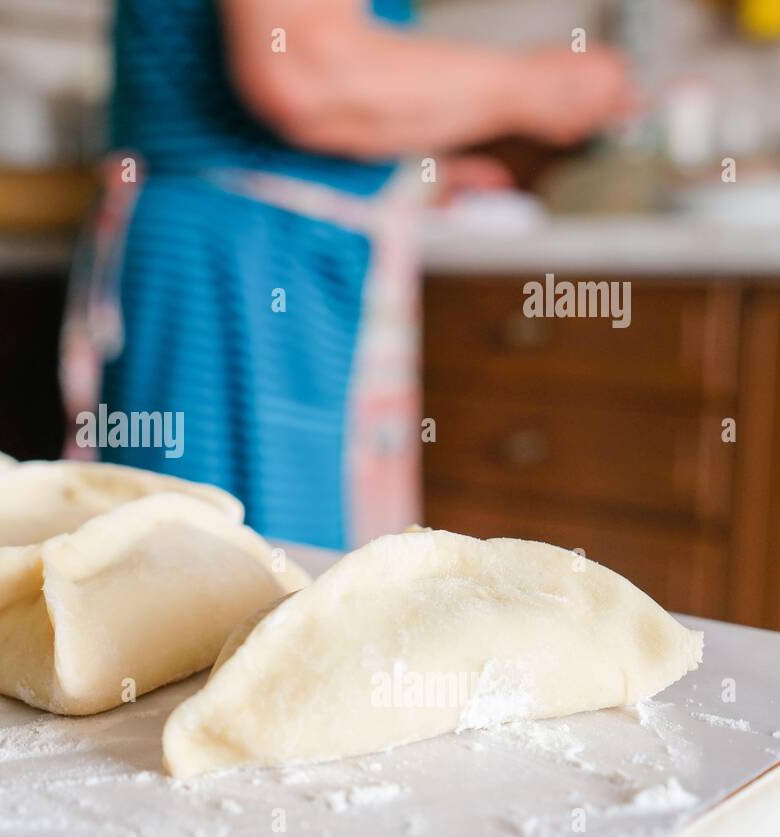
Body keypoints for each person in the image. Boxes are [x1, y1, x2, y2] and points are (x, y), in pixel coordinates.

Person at [72, 0, 636, 549]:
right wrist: (534, 87)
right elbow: (305, 69)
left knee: (273, 574)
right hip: (235, 277)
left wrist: (407, 179)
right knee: (232, 584)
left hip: (271, 264)